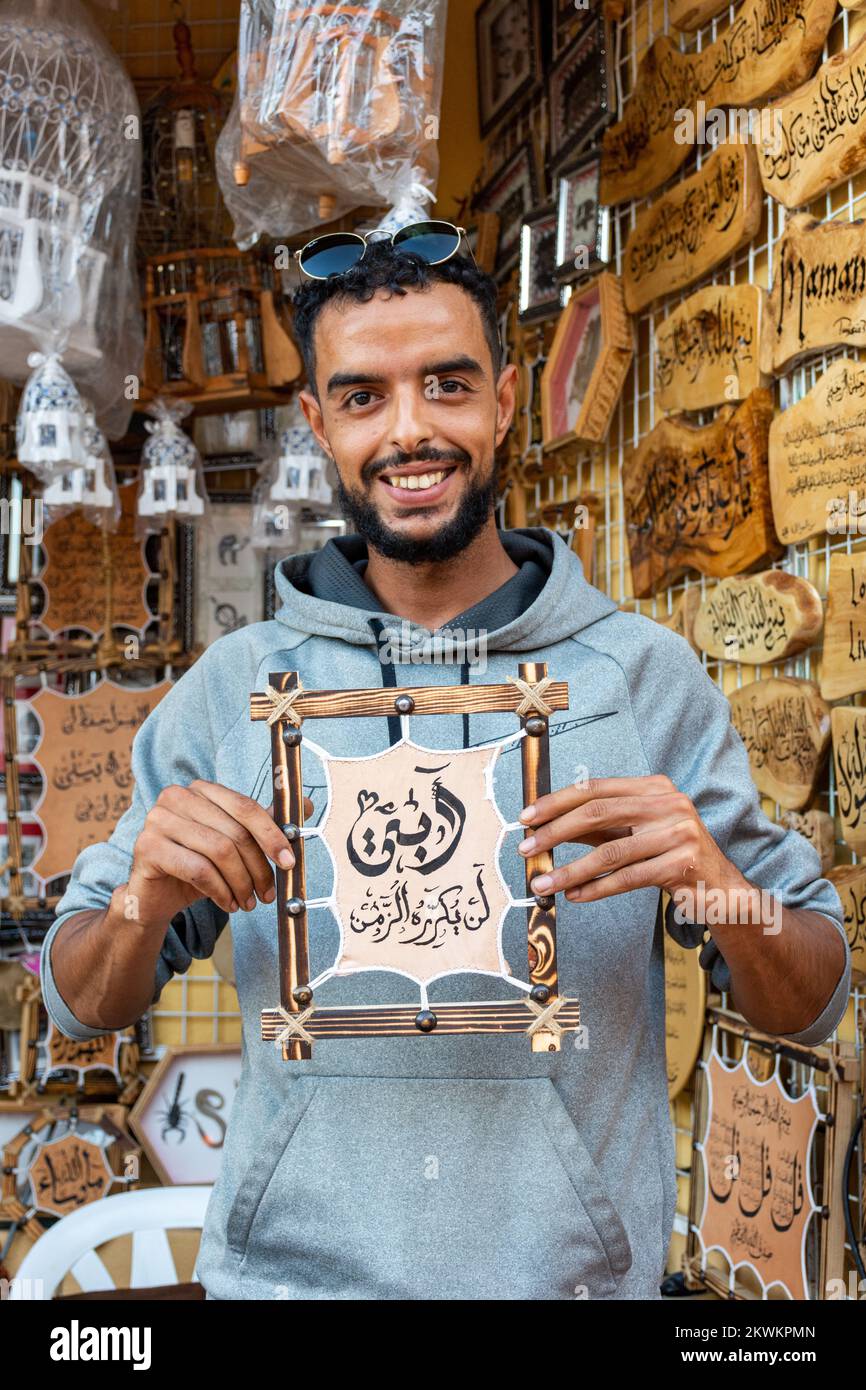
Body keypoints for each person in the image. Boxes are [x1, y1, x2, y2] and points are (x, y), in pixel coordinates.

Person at [42, 236, 850, 1301]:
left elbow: (810, 1002)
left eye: (448, 385)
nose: (411, 430)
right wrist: (143, 902)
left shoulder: (640, 676)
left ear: (506, 401)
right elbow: (79, 1004)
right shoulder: (231, 688)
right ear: (318, 424)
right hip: (289, 1289)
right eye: (364, 397)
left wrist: (717, 883)